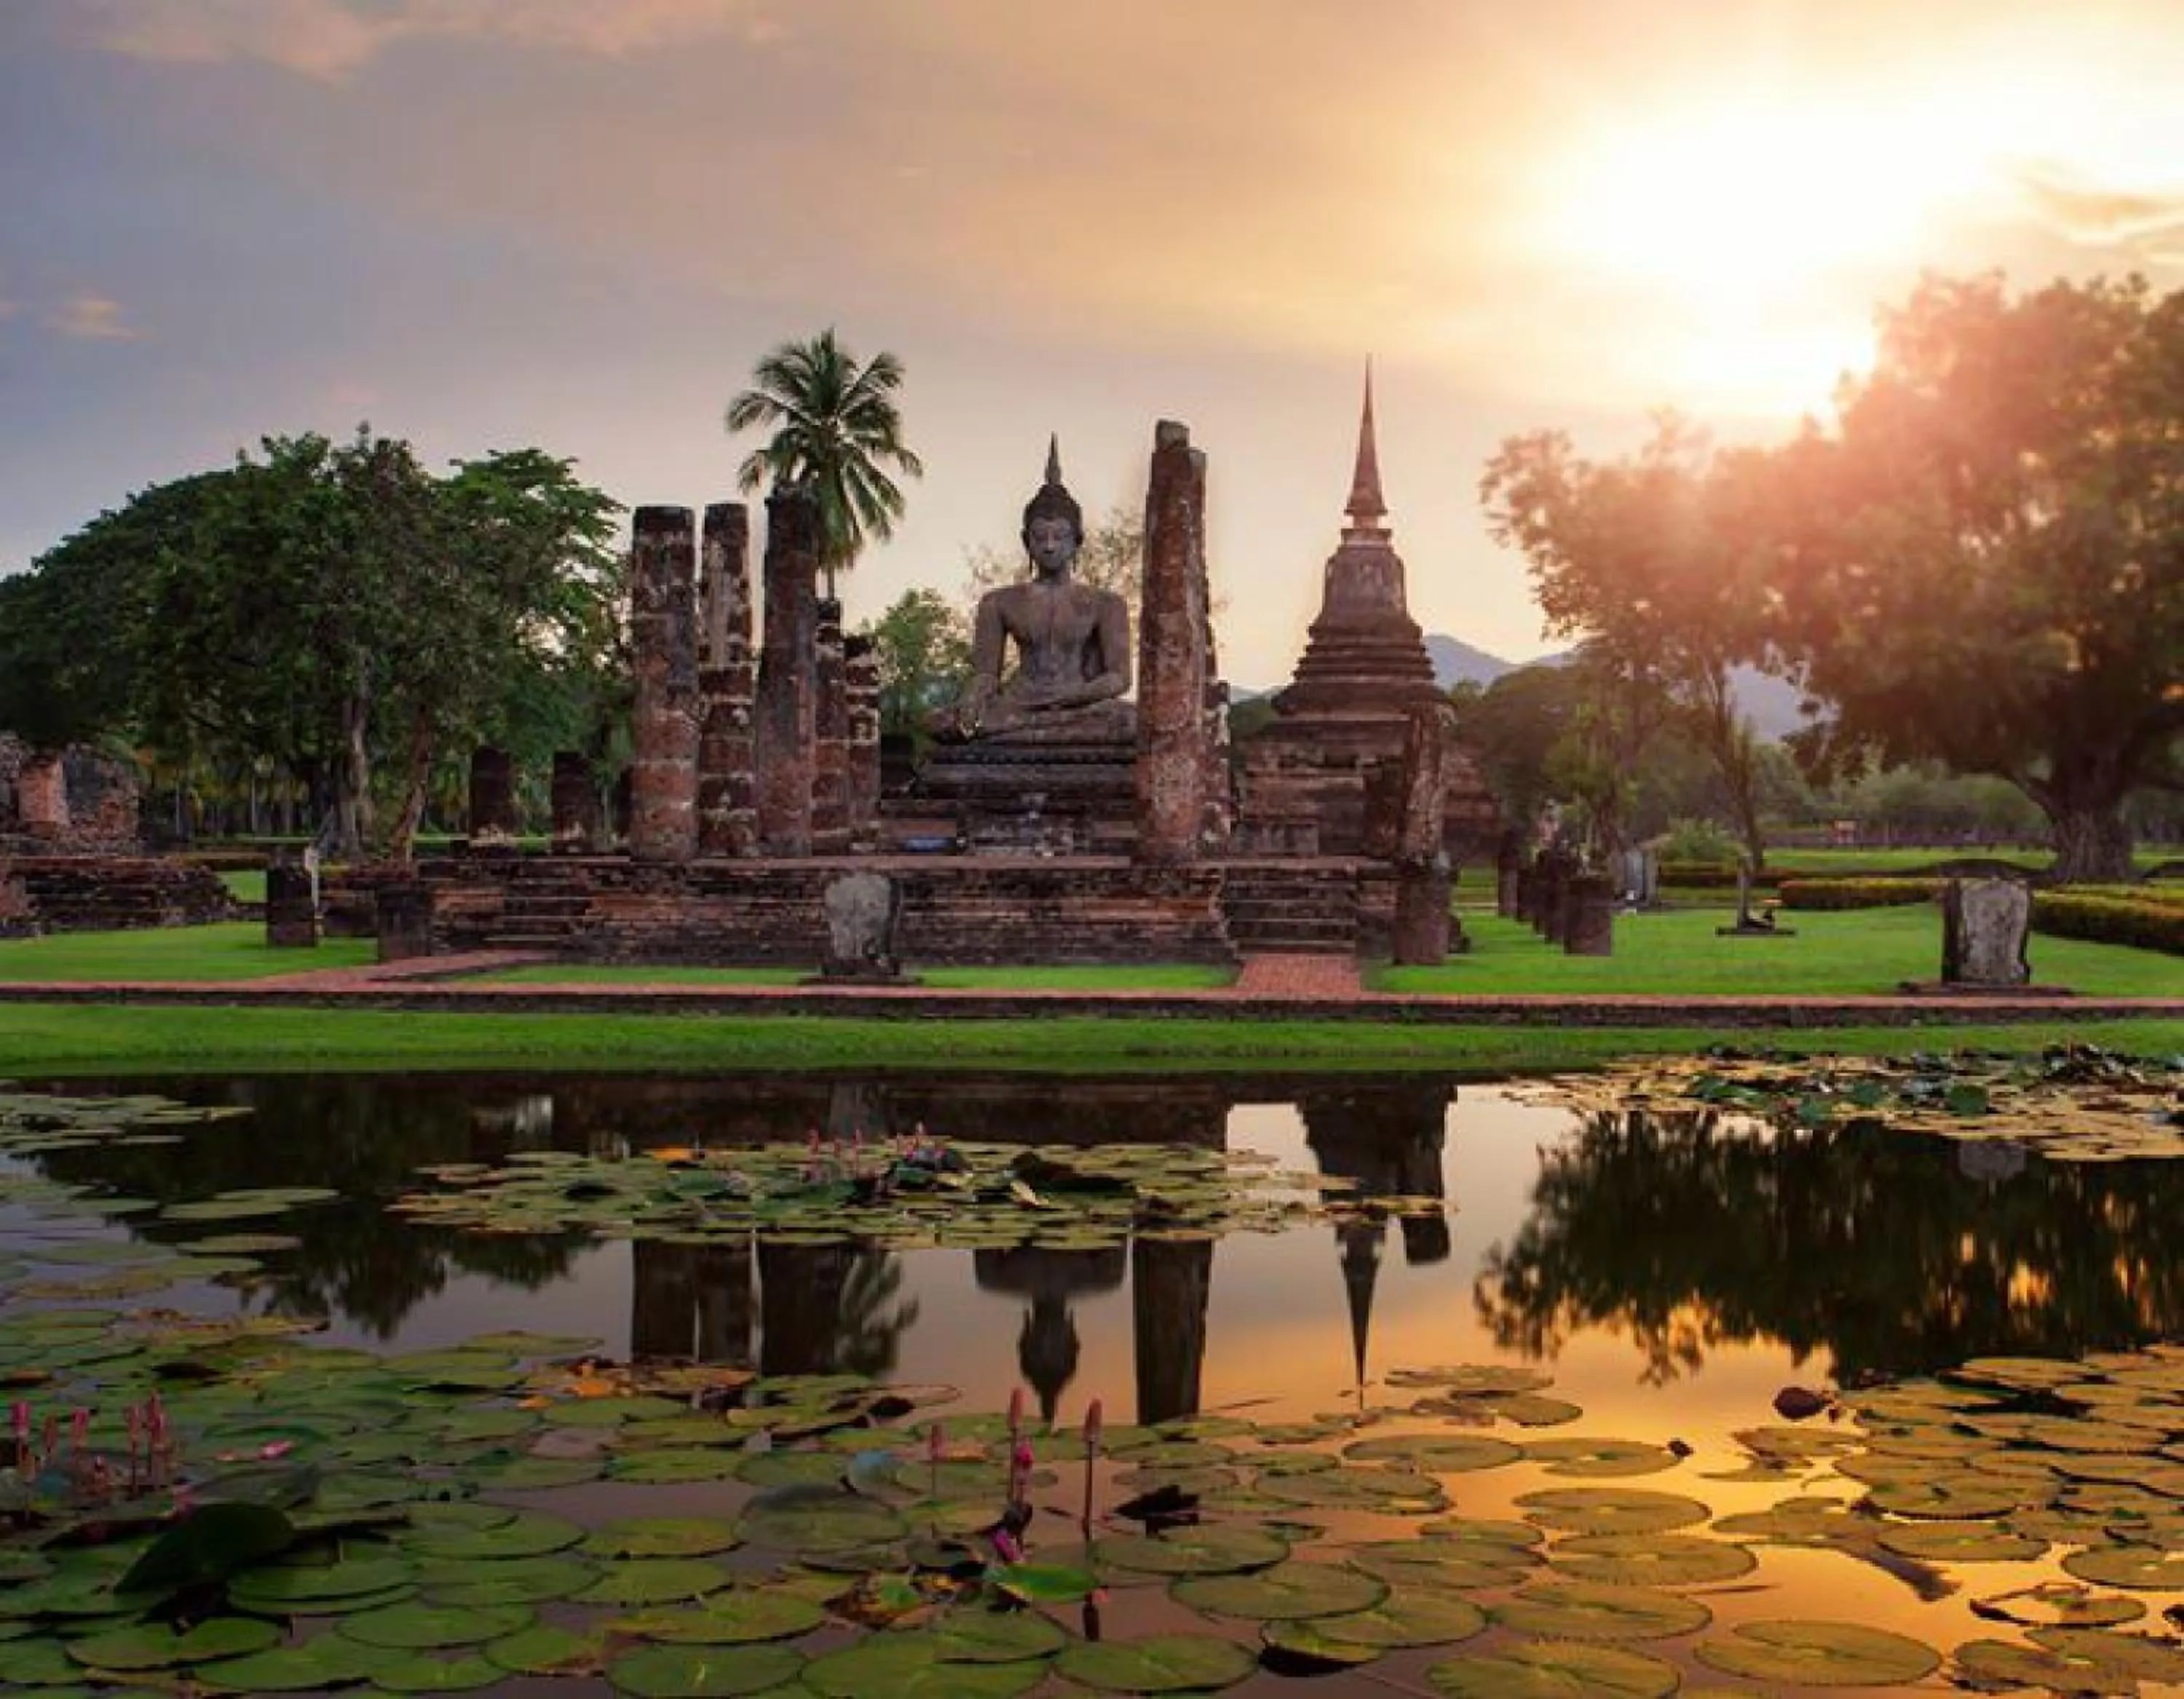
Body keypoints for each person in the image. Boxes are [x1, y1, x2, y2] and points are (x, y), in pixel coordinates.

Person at [949, 438, 1132, 739]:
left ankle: (1031, 734)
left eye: (1060, 536)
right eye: (1040, 537)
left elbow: (1119, 678)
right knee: (943, 721)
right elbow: (986, 675)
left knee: (1130, 721)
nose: (1049, 546)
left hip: (1080, 705)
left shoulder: (1105, 604)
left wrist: (1071, 698)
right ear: (1026, 541)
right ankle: (1034, 731)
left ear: (1077, 541)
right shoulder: (999, 603)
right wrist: (973, 697)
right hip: (1019, 704)